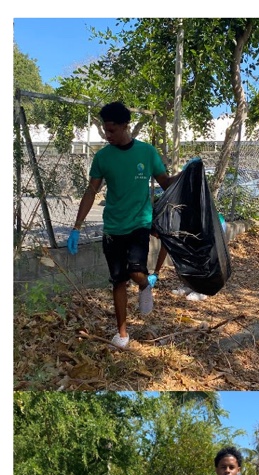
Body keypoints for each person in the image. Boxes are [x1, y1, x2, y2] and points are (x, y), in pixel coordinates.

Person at [66, 101, 178, 348]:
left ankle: (144, 284)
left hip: (140, 222)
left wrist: (188, 172)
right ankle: (123, 334)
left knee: (135, 270)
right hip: (113, 227)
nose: (108, 135)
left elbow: (166, 182)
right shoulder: (103, 157)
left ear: (126, 126)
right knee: (117, 280)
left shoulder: (147, 152)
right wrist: (76, 227)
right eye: (105, 130)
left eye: (112, 130)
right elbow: (90, 192)